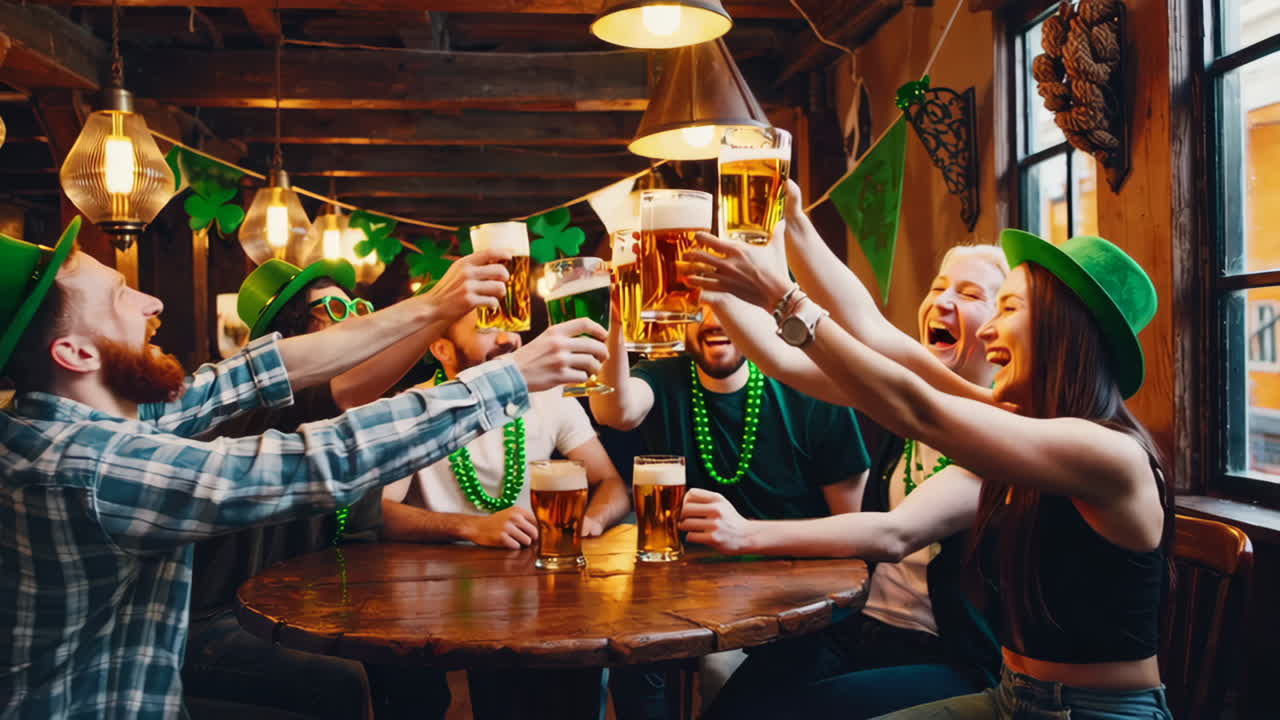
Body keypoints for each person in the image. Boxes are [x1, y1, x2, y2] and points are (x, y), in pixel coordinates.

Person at [0, 217, 609, 719]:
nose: (152, 300)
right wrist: (505, 379)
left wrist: (434, 305)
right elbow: (320, 461)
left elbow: (245, 374)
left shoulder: (90, 417)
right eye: (121, 296)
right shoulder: (87, 465)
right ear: (75, 352)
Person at [686, 201, 1174, 719]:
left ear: (1062, 327)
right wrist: (789, 218)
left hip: (1092, 711)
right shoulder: (1025, 424)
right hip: (1012, 696)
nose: (988, 332)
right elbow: (878, 336)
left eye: (1006, 308)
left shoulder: (1108, 452)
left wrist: (784, 298)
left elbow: (915, 408)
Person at [685, 244, 1010, 719]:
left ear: (1000, 332)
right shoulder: (911, 397)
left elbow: (894, 532)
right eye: (938, 286)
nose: (942, 301)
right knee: (734, 709)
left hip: (947, 656)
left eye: (968, 293)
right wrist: (716, 289)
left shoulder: (1003, 431)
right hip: (858, 627)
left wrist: (744, 531)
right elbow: (787, 362)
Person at [183, 256, 459, 720]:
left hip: (304, 606)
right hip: (217, 619)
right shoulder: (264, 406)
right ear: (287, 338)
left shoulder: (350, 418)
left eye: (359, 306)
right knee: (337, 680)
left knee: (416, 665)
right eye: (332, 308)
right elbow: (346, 389)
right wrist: (443, 310)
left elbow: (368, 526)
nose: (355, 316)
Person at [590, 301, 870, 718]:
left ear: (766, 313)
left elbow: (852, 537)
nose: (713, 319)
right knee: (633, 659)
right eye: (697, 306)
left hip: (798, 605)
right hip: (688, 600)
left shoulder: (812, 387)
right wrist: (616, 320)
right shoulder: (665, 376)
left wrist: (749, 535)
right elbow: (615, 410)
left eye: (730, 303)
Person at [379, 309, 630, 718]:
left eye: (511, 326)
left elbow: (611, 484)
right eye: (487, 326)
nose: (507, 339)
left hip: (539, 595)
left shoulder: (548, 395)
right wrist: (473, 528)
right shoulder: (412, 408)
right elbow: (380, 514)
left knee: (576, 676)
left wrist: (593, 520)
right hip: (438, 599)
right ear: (441, 348)